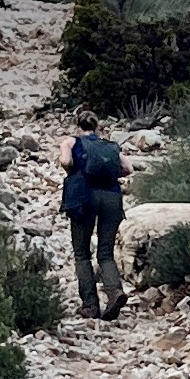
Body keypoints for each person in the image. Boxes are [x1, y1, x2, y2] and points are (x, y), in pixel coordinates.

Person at [60, 110, 127, 320]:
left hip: (84, 197)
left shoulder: (70, 141)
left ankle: (90, 306)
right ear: (97, 126)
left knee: (82, 253)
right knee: (106, 252)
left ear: (77, 125)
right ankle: (114, 292)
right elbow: (128, 168)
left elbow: (66, 162)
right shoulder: (109, 145)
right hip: (112, 198)